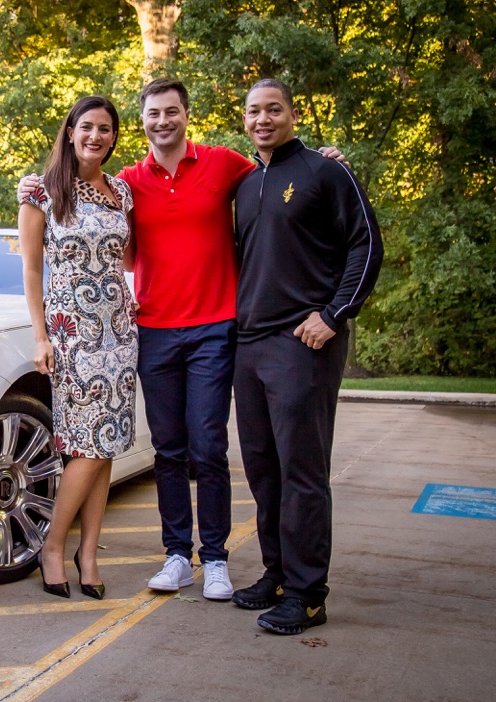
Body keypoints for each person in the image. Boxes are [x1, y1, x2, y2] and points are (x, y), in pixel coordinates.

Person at [19, 79, 347, 602]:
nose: (163, 121)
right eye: (153, 113)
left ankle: (214, 558)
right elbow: (90, 249)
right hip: (149, 330)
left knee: (208, 447)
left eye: (172, 112)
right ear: (143, 121)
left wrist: (323, 159)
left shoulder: (222, 164)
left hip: (215, 328)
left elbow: (279, 168)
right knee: (167, 450)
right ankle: (176, 555)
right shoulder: (125, 183)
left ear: (186, 116)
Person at [231, 78, 383, 634]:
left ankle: (308, 594)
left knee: (302, 472)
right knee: (262, 471)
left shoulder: (325, 170)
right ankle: (276, 573)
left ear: (292, 115)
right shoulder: (247, 186)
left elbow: (366, 243)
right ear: (244, 119)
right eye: (254, 111)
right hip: (249, 347)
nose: (263, 118)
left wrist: (334, 313)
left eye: (274, 109)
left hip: (303, 343)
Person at [19, 95, 137, 600]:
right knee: (86, 447)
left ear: (114, 137)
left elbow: (127, 263)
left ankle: (88, 555)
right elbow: (30, 270)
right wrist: (41, 336)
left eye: (105, 129)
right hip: (73, 332)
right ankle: (52, 546)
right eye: (86, 126)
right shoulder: (41, 192)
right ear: (69, 132)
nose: (95, 136)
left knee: (105, 445)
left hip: (120, 331)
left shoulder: (122, 193)